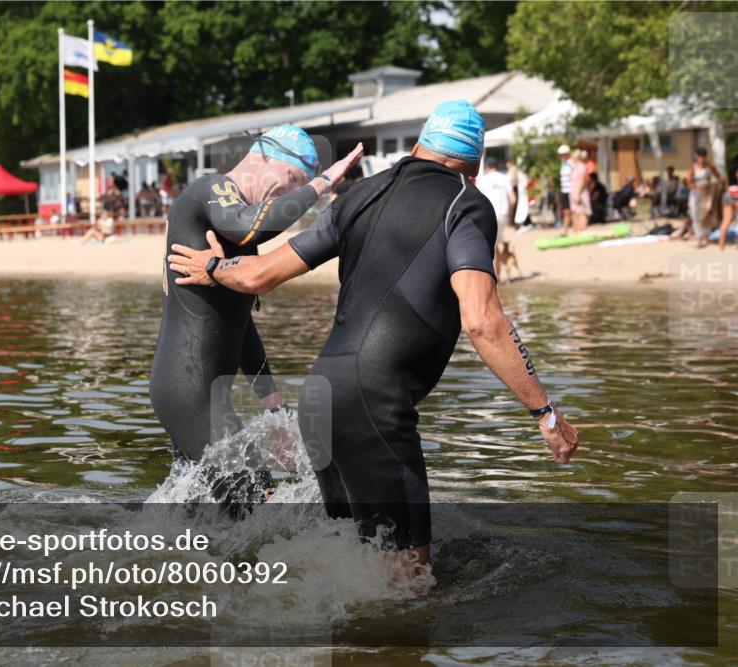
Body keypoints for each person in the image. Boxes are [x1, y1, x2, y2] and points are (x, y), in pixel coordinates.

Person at [167, 101, 579, 576]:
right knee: (409, 580)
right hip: (376, 406)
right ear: (475, 165)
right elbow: (484, 321)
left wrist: (213, 267)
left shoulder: (362, 193)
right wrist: (545, 414)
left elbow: (260, 274)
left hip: (319, 401)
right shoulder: (465, 205)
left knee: (352, 562)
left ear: (421, 144)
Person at [150, 125, 363, 514]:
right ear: (263, 156)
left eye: (299, 184)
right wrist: (321, 183)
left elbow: (241, 327)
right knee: (256, 504)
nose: (291, 192)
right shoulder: (208, 191)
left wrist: (275, 411)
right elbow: (250, 225)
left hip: (201, 394)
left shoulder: (237, 236)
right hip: (187, 391)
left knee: (196, 521)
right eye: (292, 179)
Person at [475, 157, 514, 278]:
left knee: (491, 246)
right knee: (497, 244)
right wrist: (511, 217)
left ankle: (496, 278)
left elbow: (478, 200)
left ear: (487, 166)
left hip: (489, 214)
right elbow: (513, 199)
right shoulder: (505, 178)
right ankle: (500, 276)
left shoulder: (482, 179)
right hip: (503, 214)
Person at [687, 147, 723, 247]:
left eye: (703, 157)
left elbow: (718, 177)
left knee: (707, 214)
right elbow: (689, 183)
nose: (702, 159)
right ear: (697, 157)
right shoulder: (692, 168)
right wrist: (698, 186)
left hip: (707, 194)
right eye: (700, 157)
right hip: (696, 194)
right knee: (695, 214)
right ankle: (699, 236)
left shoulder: (709, 167)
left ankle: (706, 236)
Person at [569, 149, 592, 232]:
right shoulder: (575, 167)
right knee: (575, 212)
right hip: (574, 191)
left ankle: (582, 231)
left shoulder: (582, 166)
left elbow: (581, 180)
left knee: (581, 212)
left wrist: (577, 193)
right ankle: (576, 231)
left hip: (580, 192)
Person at [557, 144, 573, 233]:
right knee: (565, 211)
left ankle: (566, 230)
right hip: (564, 190)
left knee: (570, 211)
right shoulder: (563, 164)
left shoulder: (571, 163)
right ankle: (565, 229)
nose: (562, 156)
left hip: (571, 190)